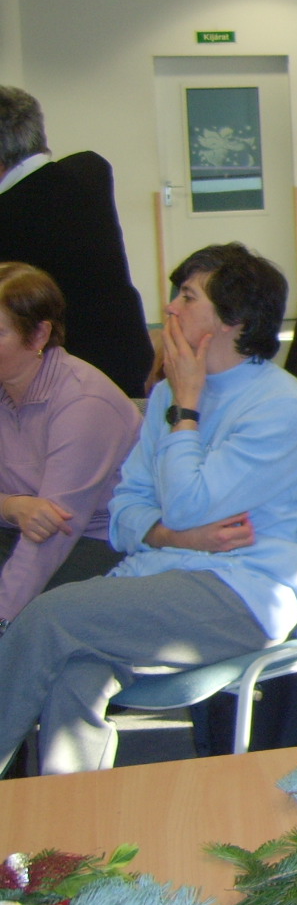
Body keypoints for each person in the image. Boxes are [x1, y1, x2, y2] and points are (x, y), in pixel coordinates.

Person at [0, 243, 297, 776]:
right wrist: (176, 537)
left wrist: (186, 411)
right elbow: (125, 513)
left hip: (241, 594)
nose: (171, 307)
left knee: (49, 617)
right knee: (73, 673)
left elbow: (184, 504)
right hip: (160, 572)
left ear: (233, 320)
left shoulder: (278, 406)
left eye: (188, 297)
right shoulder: (169, 395)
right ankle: (71, 824)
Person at [0, 264, 142, 633]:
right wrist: (12, 506)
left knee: (35, 619)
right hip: (24, 532)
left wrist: (2, 619)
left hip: (100, 542)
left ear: (39, 335)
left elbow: (51, 532)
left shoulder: (83, 402)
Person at [0, 86, 154, 399]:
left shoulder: (11, 217)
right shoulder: (89, 174)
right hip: (126, 360)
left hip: (63, 385)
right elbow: (88, 161)